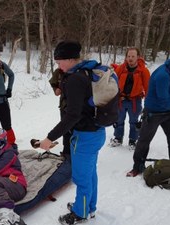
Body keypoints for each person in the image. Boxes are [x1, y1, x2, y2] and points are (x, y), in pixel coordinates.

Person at [39, 41, 106, 225]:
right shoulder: (87, 72)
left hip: (85, 136)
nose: (58, 65)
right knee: (90, 173)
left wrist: (49, 138)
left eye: (60, 61)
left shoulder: (76, 78)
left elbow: (73, 115)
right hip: (96, 132)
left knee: (82, 177)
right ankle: (89, 207)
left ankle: (80, 213)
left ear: (70, 59)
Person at [126, 52, 170, 177]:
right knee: (144, 140)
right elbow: (162, 100)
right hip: (153, 112)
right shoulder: (162, 75)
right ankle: (137, 167)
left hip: (169, 111)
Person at [110, 47, 150, 150]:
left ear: (138, 57)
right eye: (128, 56)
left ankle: (133, 140)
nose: (130, 58)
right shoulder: (121, 68)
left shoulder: (143, 71)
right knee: (119, 120)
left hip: (135, 101)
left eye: (133, 56)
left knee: (134, 122)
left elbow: (147, 87)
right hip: (121, 100)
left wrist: (148, 103)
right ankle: (118, 138)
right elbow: (113, 82)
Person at [49, 68, 72, 157]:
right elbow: (53, 83)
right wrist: (56, 89)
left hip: (78, 106)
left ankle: (75, 154)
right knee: (66, 130)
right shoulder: (58, 72)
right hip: (64, 106)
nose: (59, 65)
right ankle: (66, 153)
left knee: (76, 131)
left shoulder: (78, 71)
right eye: (58, 63)